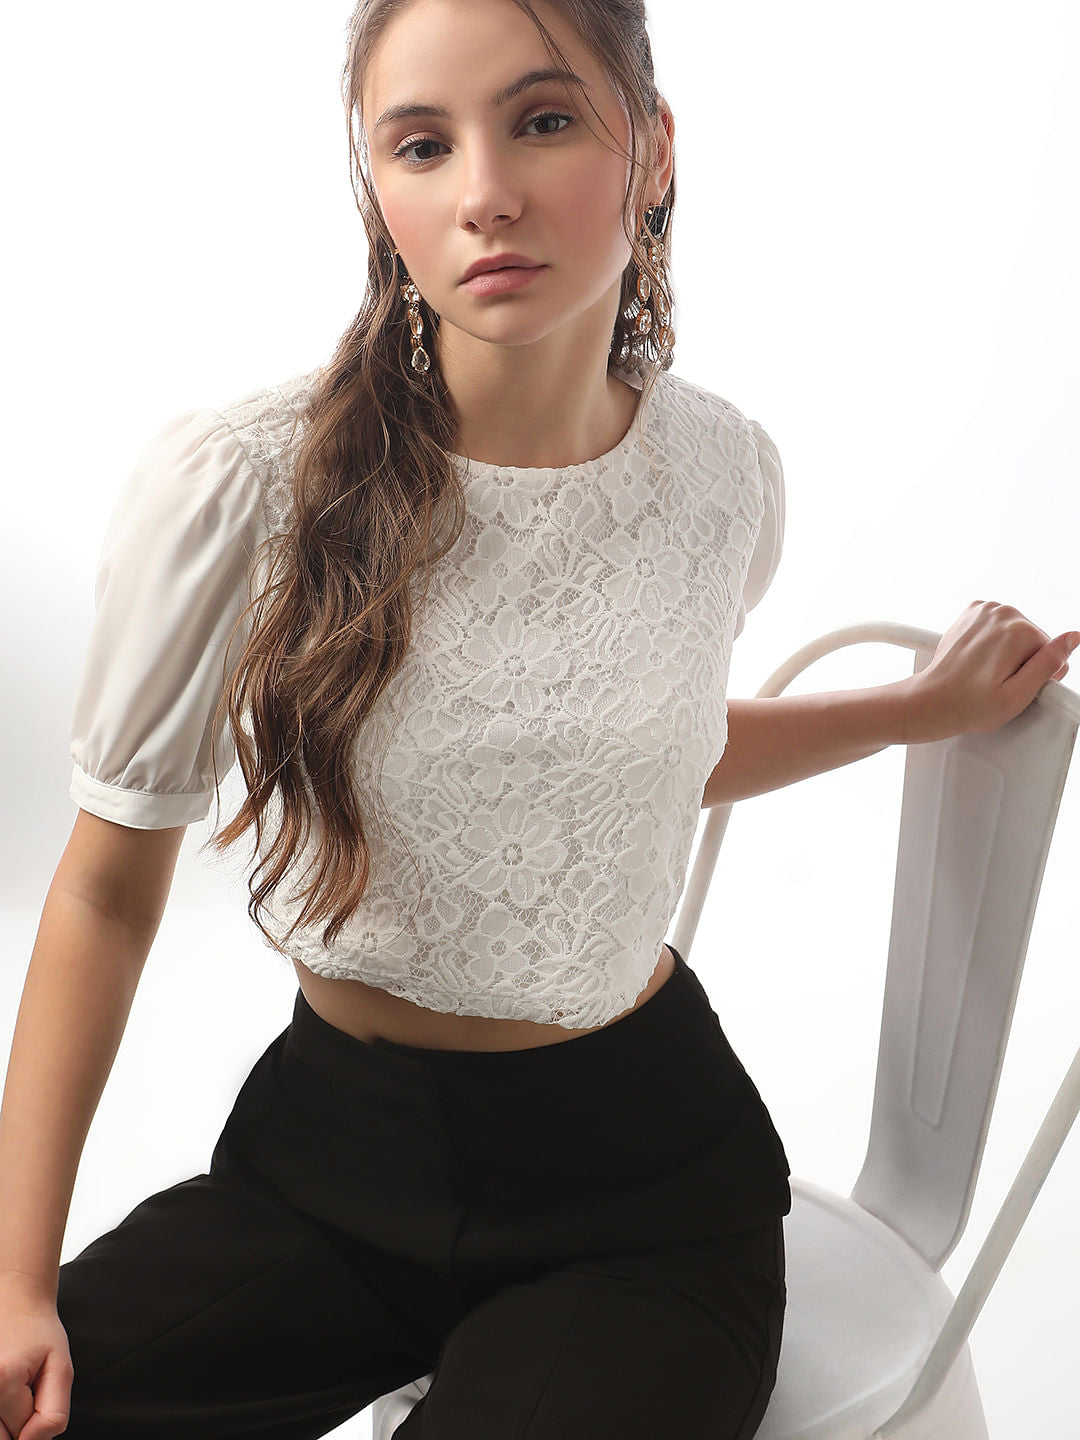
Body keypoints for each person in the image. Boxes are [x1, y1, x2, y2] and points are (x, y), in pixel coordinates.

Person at [1, 0, 1076, 1436]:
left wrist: (917, 709)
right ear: (376, 186)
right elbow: (102, 893)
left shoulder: (721, 478)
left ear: (654, 149)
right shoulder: (247, 488)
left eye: (545, 120)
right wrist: (15, 1281)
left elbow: (628, 759)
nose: (486, 193)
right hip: (323, 1168)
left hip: (642, 1206)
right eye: (423, 145)